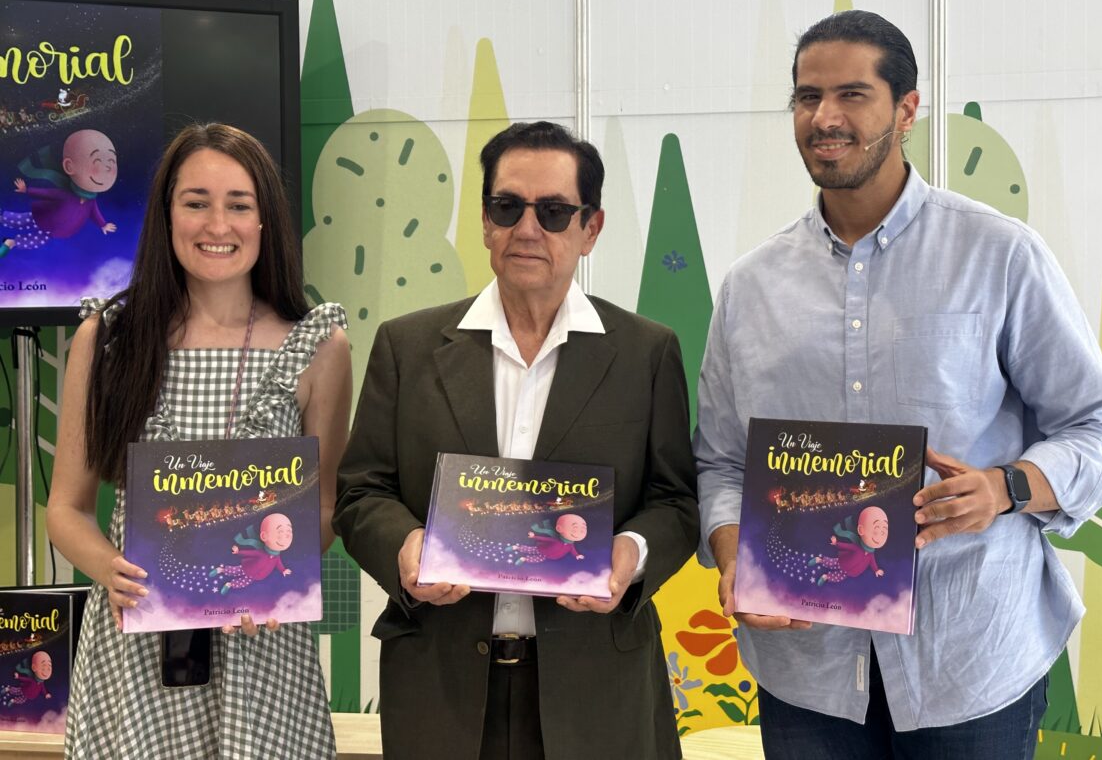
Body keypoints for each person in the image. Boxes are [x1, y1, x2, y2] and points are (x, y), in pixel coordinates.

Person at [694, 10, 1102, 759]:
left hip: (968, 657)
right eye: (807, 97)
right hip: (807, 670)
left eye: (852, 94)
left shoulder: (999, 255)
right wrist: (736, 553)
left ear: (907, 110)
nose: (824, 118)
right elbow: (720, 460)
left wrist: (1007, 487)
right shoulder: (751, 286)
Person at [333, 120, 698, 760]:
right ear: (484, 221)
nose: (527, 229)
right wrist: (405, 547)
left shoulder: (647, 352)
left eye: (554, 212)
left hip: (597, 691)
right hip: (441, 687)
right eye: (507, 207)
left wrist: (632, 554)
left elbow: (676, 501)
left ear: (591, 228)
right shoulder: (406, 346)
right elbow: (362, 492)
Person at [47, 123, 352, 758]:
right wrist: (111, 571)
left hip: (261, 646)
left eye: (239, 204)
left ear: (265, 220)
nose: (218, 225)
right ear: (166, 216)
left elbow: (324, 506)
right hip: (136, 646)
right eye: (196, 202)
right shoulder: (108, 338)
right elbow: (66, 509)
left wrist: (272, 575)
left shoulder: (318, 346)